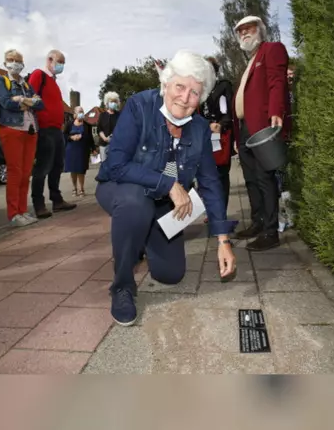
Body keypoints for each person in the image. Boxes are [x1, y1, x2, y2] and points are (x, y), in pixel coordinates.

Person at [95, 50, 237, 326]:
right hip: (122, 188)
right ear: (166, 84)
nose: (185, 98)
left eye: (195, 92)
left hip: (161, 203)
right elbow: (115, 165)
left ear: (202, 97)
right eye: (180, 87)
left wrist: (223, 240)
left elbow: (209, 181)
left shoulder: (199, 128)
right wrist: (168, 184)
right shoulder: (139, 106)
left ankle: (142, 236)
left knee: (171, 274)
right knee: (136, 204)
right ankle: (122, 286)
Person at [232, 15, 290, 251]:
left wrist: (276, 110)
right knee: (251, 179)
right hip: (245, 130)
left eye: (249, 28)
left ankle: (270, 231)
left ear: (260, 30)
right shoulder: (249, 62)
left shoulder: (272, 50)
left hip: (261, 127)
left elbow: (278, 82)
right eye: (240, 31)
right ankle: (258, 222)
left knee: (264, 178)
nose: (245, 33)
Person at [0, 49, 44, 227]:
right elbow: (6, 102)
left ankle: (23, 210)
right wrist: (29, 101)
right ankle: (14, 213)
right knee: (15, 171)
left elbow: (40, 104)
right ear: (5, 62)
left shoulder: (26, 84)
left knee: (25, 172)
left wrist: (22, 100)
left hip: (30, 130)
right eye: (11, 59)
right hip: (12, 129)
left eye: (18, 60)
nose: (15, 62)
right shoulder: (2, 80)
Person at [28, 49, 77, 218]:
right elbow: (30, 98)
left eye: (63, 63)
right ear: (50, 60)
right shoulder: (38, 75)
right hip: (44, 128)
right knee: (43, 167)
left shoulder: (53, 82)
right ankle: (39, 204)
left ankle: (57, 200)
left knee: (57, 165)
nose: (61, 66)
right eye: (60, 62)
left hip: (57, 129)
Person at [200, 56, 234, 224]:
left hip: (221, 136)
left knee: (221, 175)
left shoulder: (223, 86)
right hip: (203, 136)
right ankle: (210, 209)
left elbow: (230, 111)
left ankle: (220, 212)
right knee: (205, 175)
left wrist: (221, 124)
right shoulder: (199, 89)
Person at [64, 105, 94, 196]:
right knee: (73, 170)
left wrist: (93, 148)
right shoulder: (69, 124)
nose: (81, 114)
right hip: (71, 149)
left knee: (81, 170)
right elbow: (64, 135)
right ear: (75, 114)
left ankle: (81, 188)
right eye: (79, 112)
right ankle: (74, 188)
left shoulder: (87, 125)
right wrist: (71, 137)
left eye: (82, 112)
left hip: (82, 150)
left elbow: (90, 138)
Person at [97, 91, 121, 162]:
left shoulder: (120, 115)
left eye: (115, 102)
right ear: (107, 103)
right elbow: (99, 129)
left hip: (116, 145)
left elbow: (122, 128)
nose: (113, 103)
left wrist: (112, 136)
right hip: (103, 144)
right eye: (111, 101)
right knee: (104, 164)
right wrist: (104, 138)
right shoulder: (102, 115)